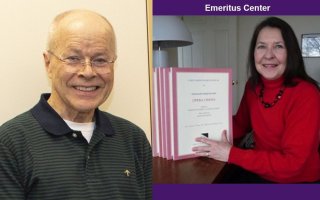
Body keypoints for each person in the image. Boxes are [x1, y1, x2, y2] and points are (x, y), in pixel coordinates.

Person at [0, 9, 152, 199]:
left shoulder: (134, 139)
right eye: (73, 58)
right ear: (48, 64)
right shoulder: (10, 143)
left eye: (100, 60)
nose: (88, 72)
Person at [192, 17, 320, 183]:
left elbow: (292, 163)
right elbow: (239, 125)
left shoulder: (307, 94)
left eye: (278, 46)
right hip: (260, 170)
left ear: (291, 52)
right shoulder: (253, 86)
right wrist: (199, 131)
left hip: (298, 180)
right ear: (254, 53)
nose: (268, 55)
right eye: (261, 47)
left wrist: (230, 154)